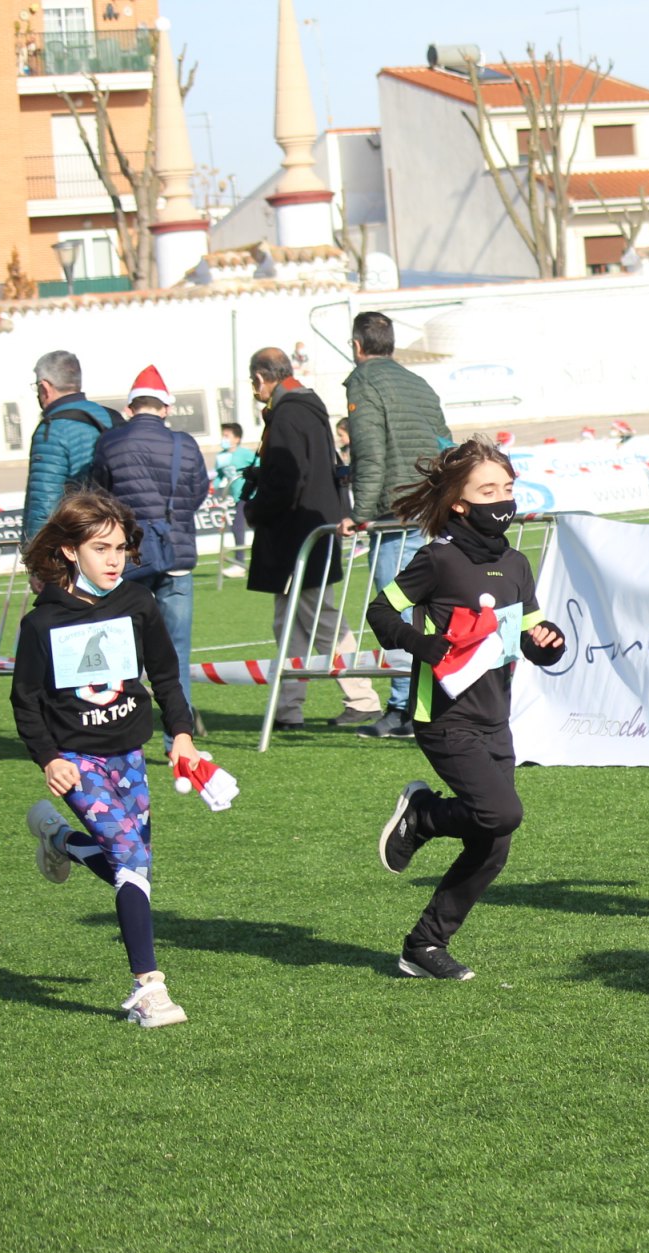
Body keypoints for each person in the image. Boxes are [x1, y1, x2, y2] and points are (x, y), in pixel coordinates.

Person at [368, 439, 567, 980]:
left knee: (493, 844)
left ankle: (424, 946)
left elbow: (529, 635)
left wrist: (548, 643)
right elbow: (381, 609)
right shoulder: (438, 558)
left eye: (506, 488)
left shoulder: (516, 563)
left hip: (495, 719)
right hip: (445, 717)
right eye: (487, 491)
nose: (501, 500)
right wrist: (422, 645)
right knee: (502, 814)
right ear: (459, 502)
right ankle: (426, 814)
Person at [12, 490, 196, 1028]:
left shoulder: (137, 603)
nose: (115, 559)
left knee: (131, 863)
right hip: (75, 760)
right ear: (70, 551)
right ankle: (149, 989)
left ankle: (61, 841)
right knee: (129, 859)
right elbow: (25, 700)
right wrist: (49, 759)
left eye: (120, 547)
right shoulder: (41, 625)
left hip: (129, 756)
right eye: (101, 548)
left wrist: (180, 735)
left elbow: (165, 674)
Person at [243, 346, 381, 730]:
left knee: (318, 620)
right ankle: (289, 707)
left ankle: (363, 698)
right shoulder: (307, 406)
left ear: (259, 378)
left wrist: (256, 508)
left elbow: (287, 480)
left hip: (296, 536)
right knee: (292, 622)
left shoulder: (288, 414)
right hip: (312, 529)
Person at [342, 310, 452, 740]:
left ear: (357, 346)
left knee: (396, 608)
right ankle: (422, 701)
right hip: (430, 506)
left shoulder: (363, 381)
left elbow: (369, 451)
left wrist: (361, 513)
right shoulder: (419, 382)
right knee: (428, 608)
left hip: (395, 512)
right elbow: (445, 442)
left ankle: (404, 707)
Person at [88, 365, 210, 730]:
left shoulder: (109, 443)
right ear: (166, 408)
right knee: (175, 652)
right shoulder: (184, 445)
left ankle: (123, 730)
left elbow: (98, 496)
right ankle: (179, 737)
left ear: (130, 407)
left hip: (128, 559)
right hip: (176, 554)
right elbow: (198, 492)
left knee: (122, 651)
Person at [22, 349, 121, 546]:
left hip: (79, 540)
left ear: (45, 387)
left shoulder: (52, 429)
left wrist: (38, 557)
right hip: (118, 535)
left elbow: (44, 501)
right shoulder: (111, 418)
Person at [213, 422, 258, 578]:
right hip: (238, 497)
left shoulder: (245, 454)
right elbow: (220, 475)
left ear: (237, 439)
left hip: (252, 495)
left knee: (250, 527)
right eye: (223, 435)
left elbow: (259, 465)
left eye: (227, 436)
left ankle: (243, 563)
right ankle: (240, 563)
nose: (224, 439)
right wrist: (212, 486)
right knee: (238, 527)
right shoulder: (221, 456)